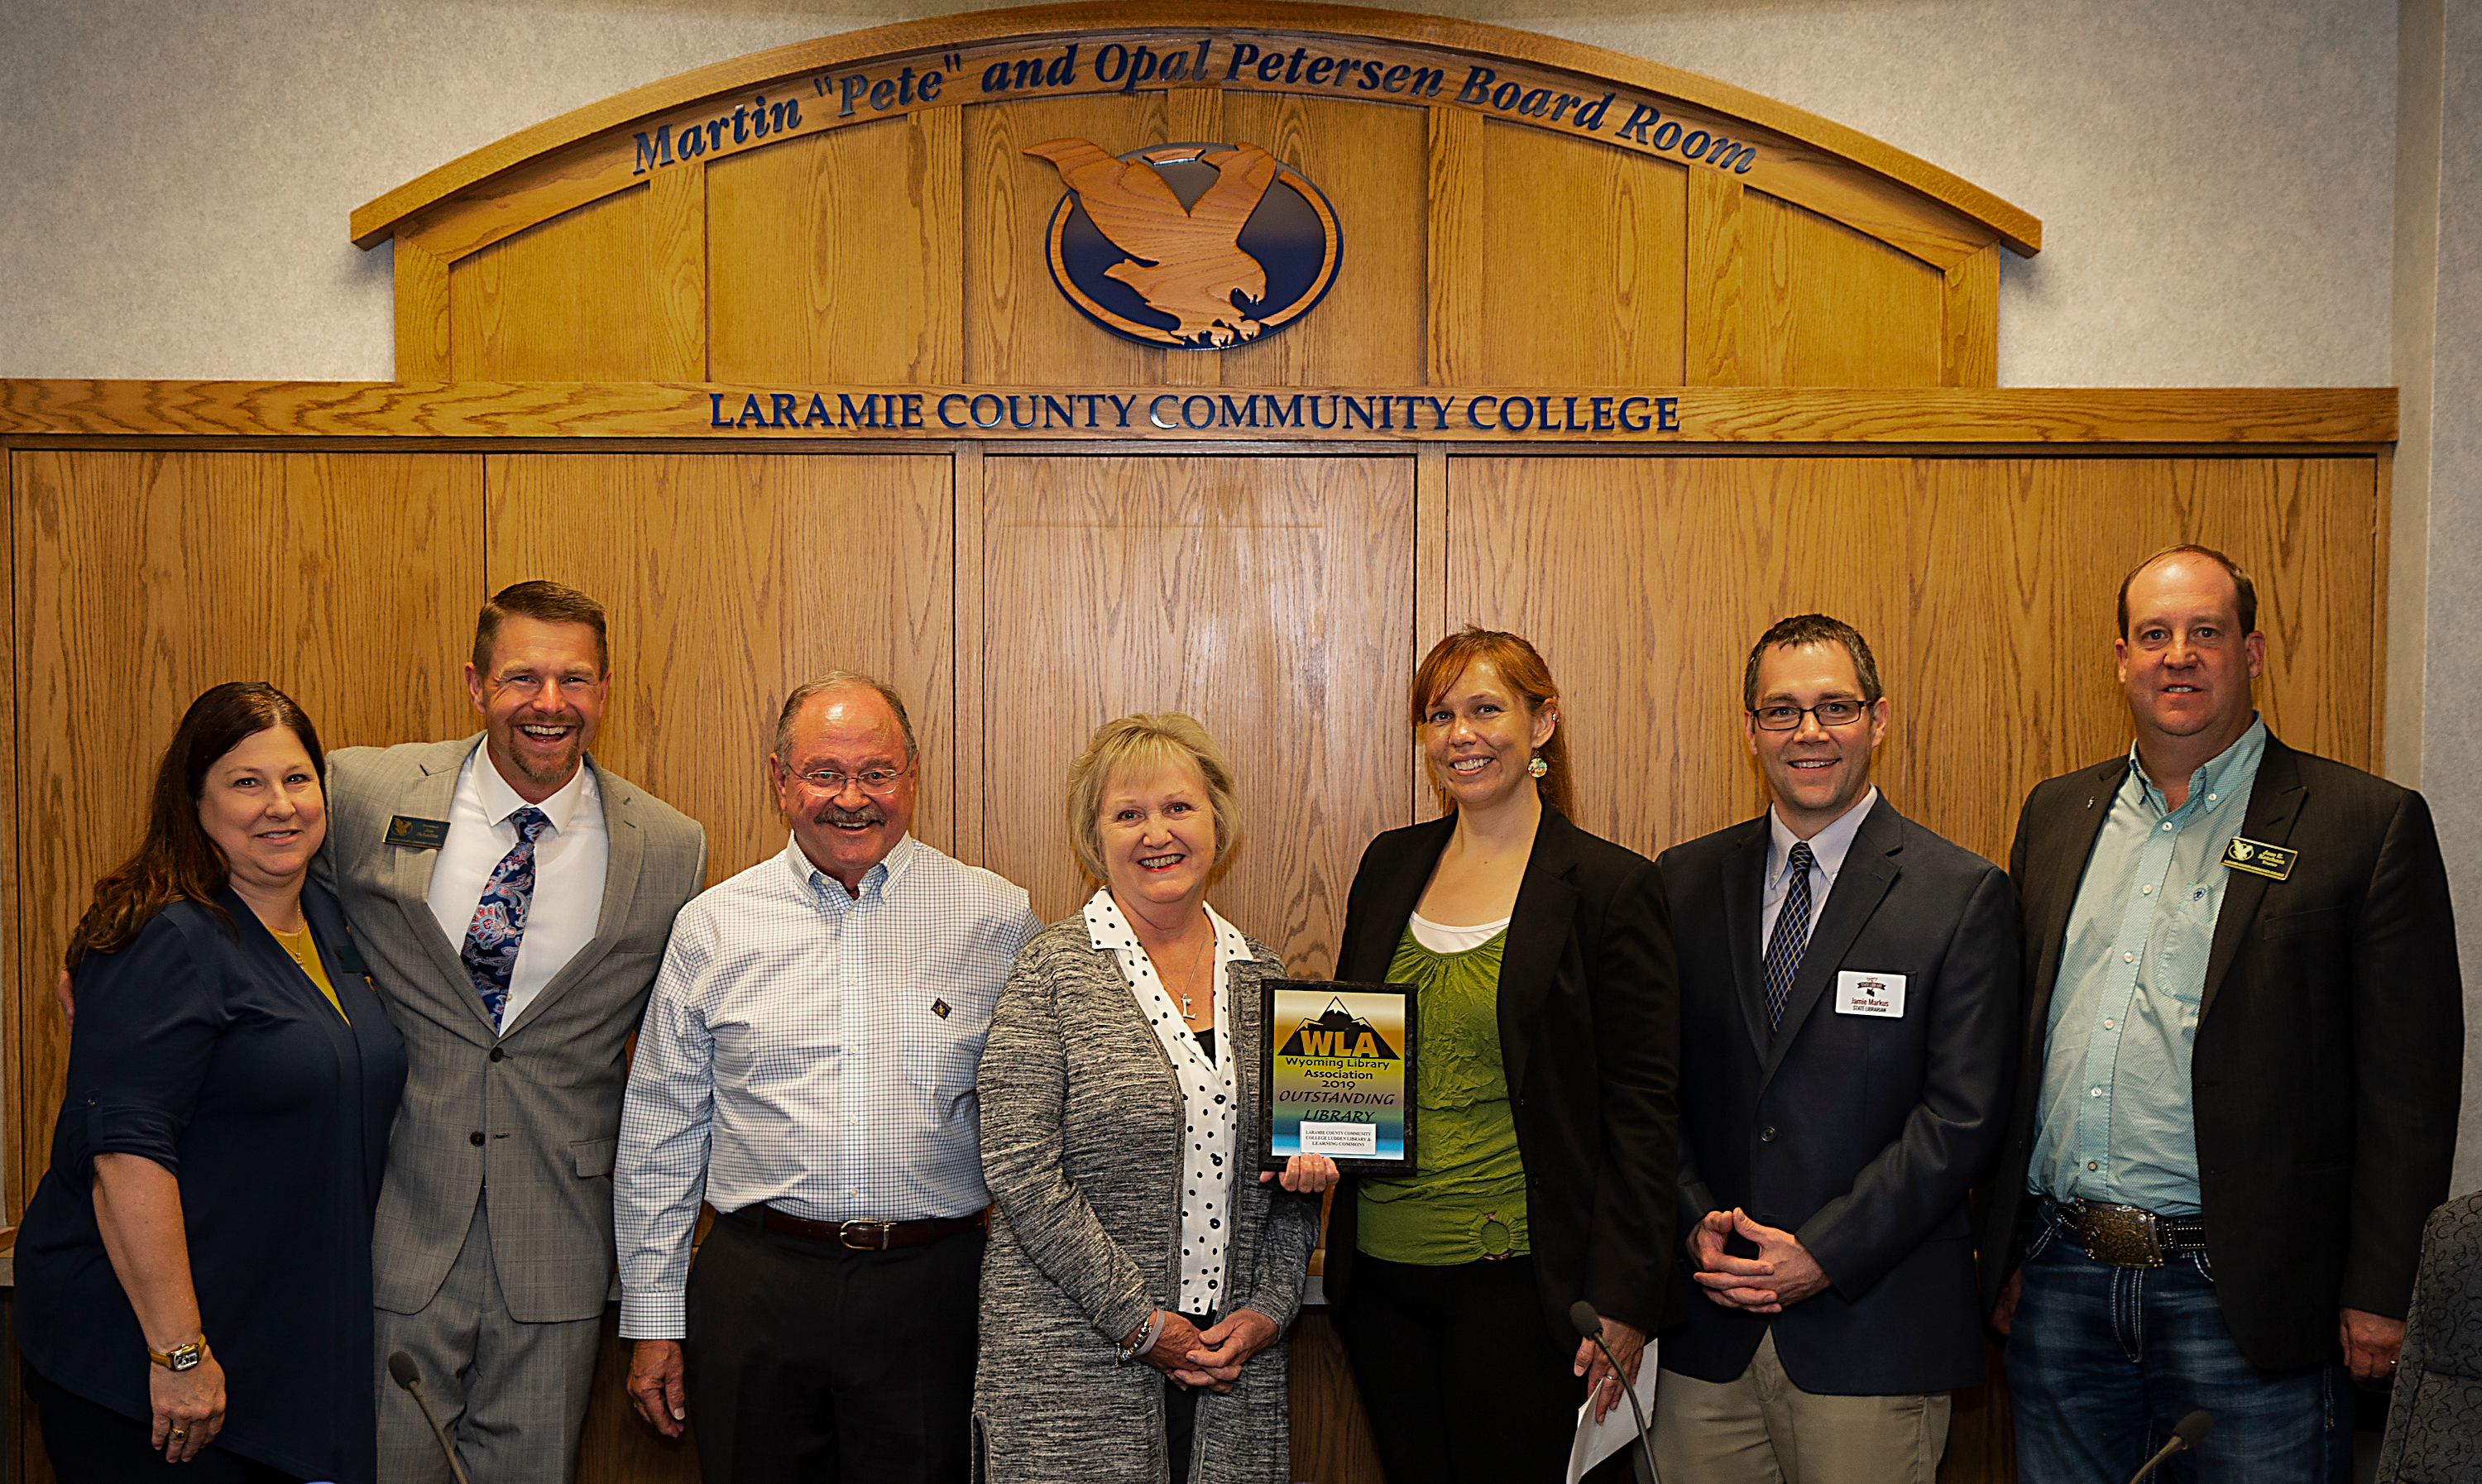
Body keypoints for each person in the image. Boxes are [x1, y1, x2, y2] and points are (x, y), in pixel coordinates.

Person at [1978, 545, 2464, 1483]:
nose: (2179, 655)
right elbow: (2015, 1046)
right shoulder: (2055, 813)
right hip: (2062, 1285)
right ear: (2121, 658)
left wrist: (2379, 1291)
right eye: (2155, 635)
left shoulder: (2362, 824)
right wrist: (2002, 1247)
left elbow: (2410, 1085)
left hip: (2248, 1298)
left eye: (2207, 632)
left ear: (2253, 652)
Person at [318, 581, 709, 1484]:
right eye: (522, 677)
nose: (548, 703)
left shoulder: (668, 846)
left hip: (560, 1240)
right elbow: (261, 891)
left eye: (574, 680)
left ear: (604, 695)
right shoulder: (361, 791)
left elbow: (670, 1072)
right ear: (475, 683)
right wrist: (129, 944)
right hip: (395, 1217)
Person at [615, 673, 1039, 1483]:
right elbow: (660, 1140)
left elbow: (1040, 1121)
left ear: (912, 776)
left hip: (934, 1292)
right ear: (780, 780)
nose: (852, 798)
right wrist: (653, 1321)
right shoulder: (713, 927)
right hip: (756, 1288)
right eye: (824, 773)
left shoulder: (995, 919)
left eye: (877, 773)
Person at [1650, 614, 2018, 1483]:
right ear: (1750, 731)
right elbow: (1646, 1088)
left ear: (1879, 721)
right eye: (1782, 711)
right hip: (1706, 1336)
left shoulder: (1960, 895)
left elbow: (1961, 1120)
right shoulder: (1680, 882)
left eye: (1835, 708)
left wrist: (1824, 1253)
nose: (1808, 733)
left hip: (1873, 1341)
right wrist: (1691, 1215)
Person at [15, 682, 408, 1484]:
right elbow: (123, 1156)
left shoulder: (331, 925)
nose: (280, 806)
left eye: (298, 779)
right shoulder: (165, 936)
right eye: (246, 782)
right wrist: (179, 1352)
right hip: (149, 1371)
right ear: (193, 801)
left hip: (275, 1349)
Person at [1323, 627, 1680, 1481]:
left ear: (1543, 723)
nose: (1460, 735)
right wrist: (1315, 1144)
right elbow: (1350, 1051)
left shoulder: (1608, 886)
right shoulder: (1389, 864)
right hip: (1380, 1283)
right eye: (1439, 716)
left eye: (1486, 709)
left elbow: (1644, 1110)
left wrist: (1628, 1301)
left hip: (1525, 1286)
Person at [972, 713, 1336, 1484]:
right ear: (1093, 838)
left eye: (1177, 807)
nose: (1156, 833)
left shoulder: (1271, 983)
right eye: (1127, 814)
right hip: (1072, 1369)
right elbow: (1018, 1169)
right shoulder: (1050, 972)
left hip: (1234, 1370)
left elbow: (1296, 1175)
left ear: (1216, 822)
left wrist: (1271, 1310)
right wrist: (1140, 1323)